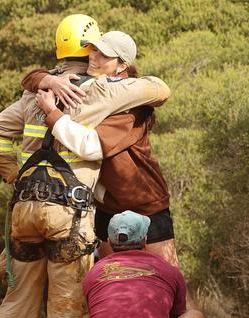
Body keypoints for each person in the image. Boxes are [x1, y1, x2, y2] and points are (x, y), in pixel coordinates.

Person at [0, 15, 170, 318]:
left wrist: (14, 176)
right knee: (66, 301)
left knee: (17, 299)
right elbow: (158, 88)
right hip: (67, 214)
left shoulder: (35, 94)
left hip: (23, 210)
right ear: (91, 47)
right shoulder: (102, 89)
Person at [25, 33, 177, 266]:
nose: (93, 58)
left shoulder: (132, 107)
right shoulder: (92, 86)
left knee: (166, 281)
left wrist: (52, 114)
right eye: (92, 50)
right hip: (107, 208)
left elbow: (92, 146)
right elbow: (32, 77)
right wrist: (47, 80)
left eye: (103, 54)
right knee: (113, 282)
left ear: (122, 66)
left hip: (145, 206)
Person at [74, 210, 215, 318]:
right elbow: (176, 316)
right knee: (197, 317)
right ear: (145, 239)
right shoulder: (168, 270)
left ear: (109, 241)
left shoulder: (93, 273)